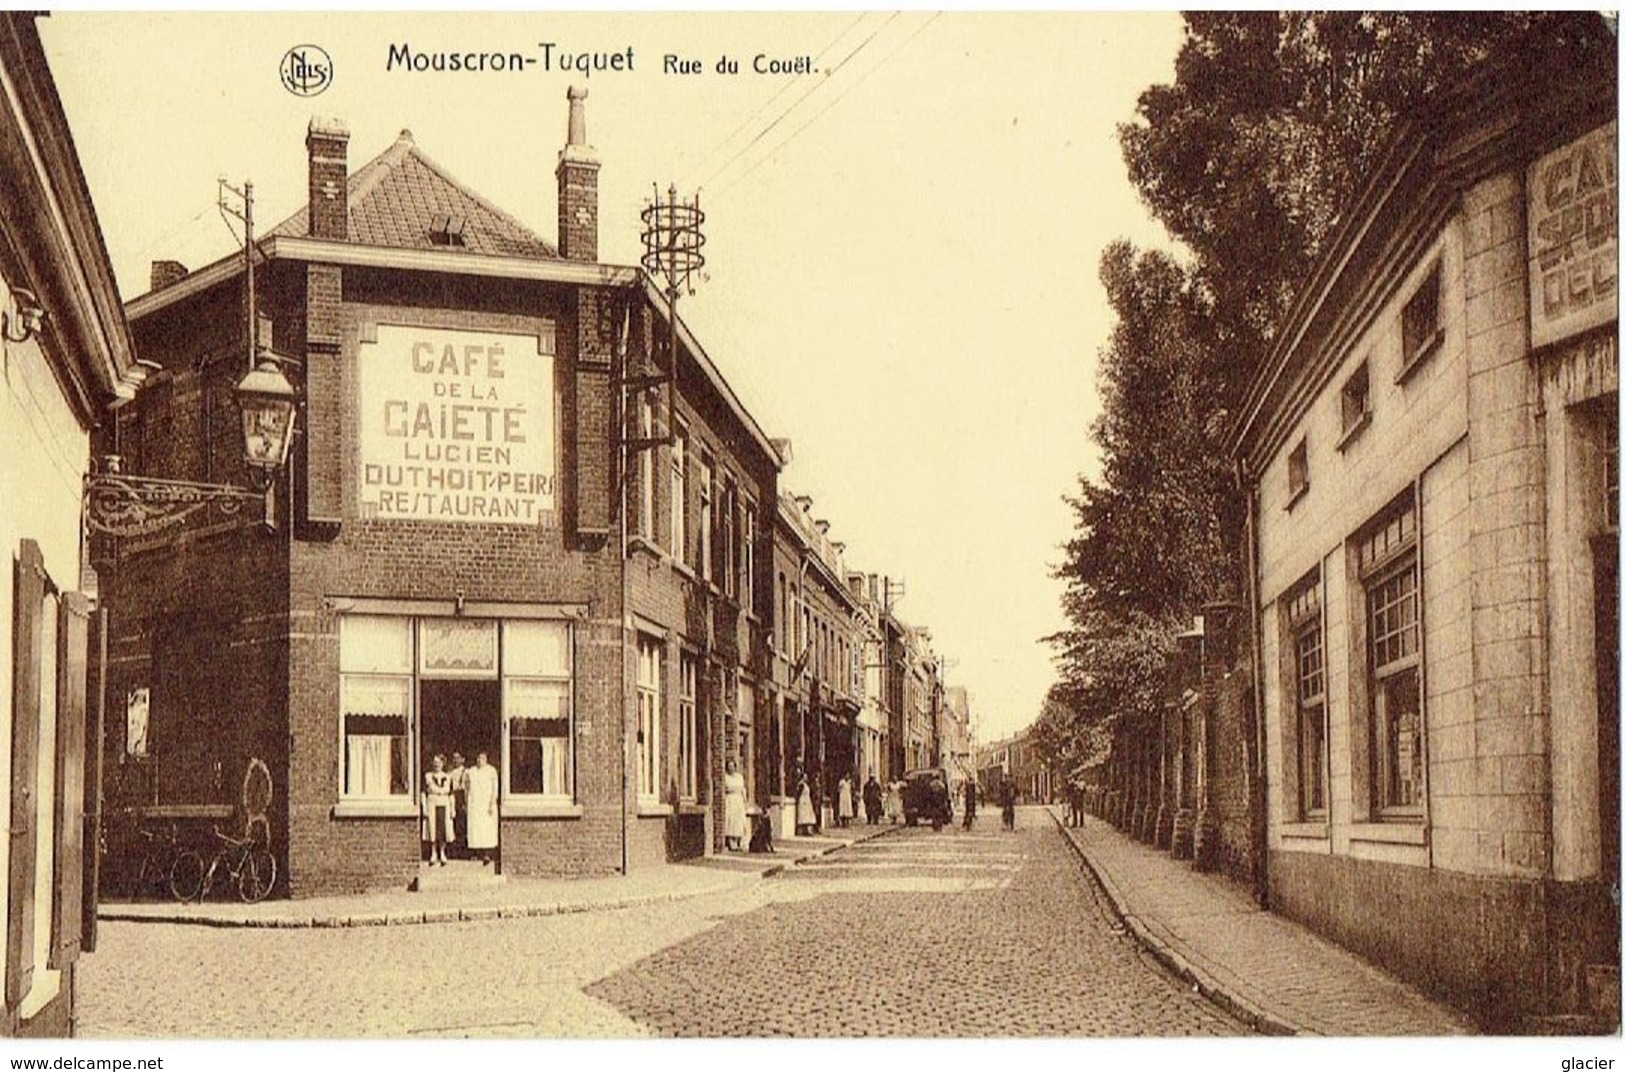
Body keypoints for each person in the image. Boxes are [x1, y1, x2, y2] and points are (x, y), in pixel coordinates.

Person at [464, 751, 499, 866]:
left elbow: (495, 789)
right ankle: (475, 852)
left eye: (482, 758)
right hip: (474, 803)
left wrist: (492, 802)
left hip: (486, 804)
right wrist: (466, 802)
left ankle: (487, 854)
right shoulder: (471, 771)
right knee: (475, 827)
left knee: (486, 828)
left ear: (486, 759)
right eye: (478, 758)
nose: (480, 760)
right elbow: (467, 788)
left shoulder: (491, 771)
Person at [422, 754, 454, 866]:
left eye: (439, 763)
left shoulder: (448, 777)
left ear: (443, 764)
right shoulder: (428, 776)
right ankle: (433, 853)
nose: (437, 765)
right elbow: (423, 793)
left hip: (444, 803)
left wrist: (452, 809)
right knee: (433, 828)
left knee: (443, 828)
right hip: (432, 802)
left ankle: (442, 853)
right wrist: (424, 807)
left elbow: (451, 794)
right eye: (435, 762)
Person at [723, 758, 747, 852]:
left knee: (739, 821)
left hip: (739, 800)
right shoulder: (726, 777)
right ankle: (731, 843)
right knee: (731, 821)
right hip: (730, 800)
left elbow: (743, 789)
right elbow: (725, 789)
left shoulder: (739, 777)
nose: (731, 768)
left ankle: (738, 842)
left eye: (732, 766)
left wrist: (744, 800)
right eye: (729, 767)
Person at [447, 752, 468, 859]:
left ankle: (463, 851)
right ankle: (453, 851)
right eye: (454, 758)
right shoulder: (450, 772)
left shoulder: (466, 772)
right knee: (452, 824)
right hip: (452, 797)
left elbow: (466, 788)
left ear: (463, 759)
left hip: (461, 798)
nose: (456, 760)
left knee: (462, 825)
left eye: (458, 758)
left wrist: (465, 802)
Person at [794, 769, 816, 836]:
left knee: (807, 816)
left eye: (806, 777)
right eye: (805, 777)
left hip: (807, 801)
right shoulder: (801, 784)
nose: (806, 778)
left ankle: (807, 831)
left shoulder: (806, 784)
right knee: (803, 816)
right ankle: (801, 831)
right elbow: (798, 793)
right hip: (803, 801)